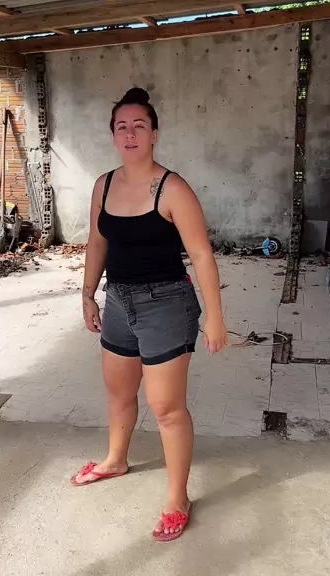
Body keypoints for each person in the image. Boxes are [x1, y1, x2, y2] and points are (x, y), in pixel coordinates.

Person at [71, 88, 228, 541]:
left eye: (139, 125)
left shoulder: (172, 188)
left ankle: (178, 498)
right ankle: (115, 460)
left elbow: (202, 255)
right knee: (118, 393)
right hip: (118, 301)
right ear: (113, 136)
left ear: (154, 134)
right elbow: (97, 241)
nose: (130, 133)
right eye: (122, 126)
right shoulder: (103, 185)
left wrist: (214, 317)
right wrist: (88, 294)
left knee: (167, 409)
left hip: (167, 304)